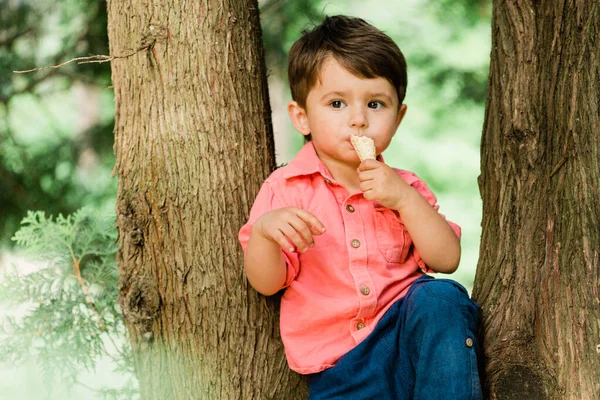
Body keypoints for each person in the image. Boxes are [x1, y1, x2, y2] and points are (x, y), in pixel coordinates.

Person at [238, 15, 482, 400]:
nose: (358, 120)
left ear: (398, 117)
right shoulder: (286, 190)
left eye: (375, 103)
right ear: (301, 117)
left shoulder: (407, 187)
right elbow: (266, 283)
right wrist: (267, 232)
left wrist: (403, 199)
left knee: (443, 297)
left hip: (408, 342)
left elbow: (447, 258)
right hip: (341, 367)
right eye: (337, 103)